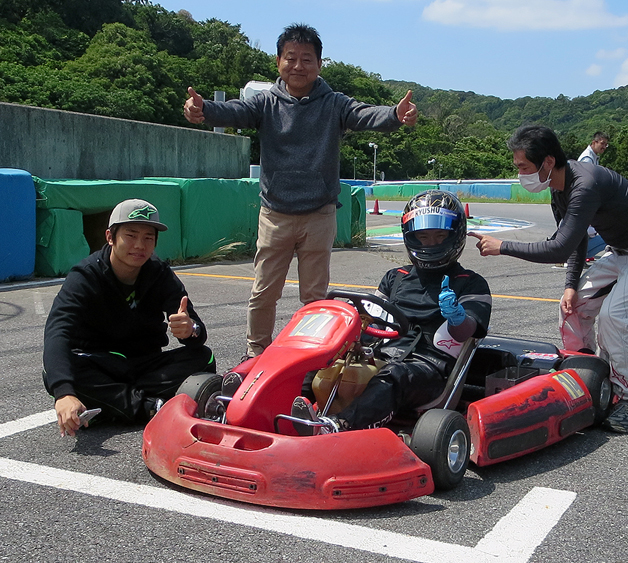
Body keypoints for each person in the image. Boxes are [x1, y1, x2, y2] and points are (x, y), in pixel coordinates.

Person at [183, 23, 418, 359]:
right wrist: (204, 109)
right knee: (263, 293)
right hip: (275, 214)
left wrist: (395, 114)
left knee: (315, 297)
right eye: (290, 58)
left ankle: (312, 356)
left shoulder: (334, 104)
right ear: (278, 61)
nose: (298, 66)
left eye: (306, 59)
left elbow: (366, 114)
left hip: (319, 215)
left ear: (319, 65)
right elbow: (236, 110)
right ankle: (255, 354)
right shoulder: (265, 103)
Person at [470, 125, 628, 434]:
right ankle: (590, 373)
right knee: (572, 307)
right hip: (625, 248)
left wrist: (502, 247)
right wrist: (571, 287)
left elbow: (558, 247)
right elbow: (574, 241)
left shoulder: (584, 184)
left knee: (615, 317)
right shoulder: (558, 189)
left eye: (523, 167)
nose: (520, 174)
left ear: (547, 162)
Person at [290, 190, 492, 434]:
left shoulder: (470, 283)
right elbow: (369, 319)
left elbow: (466, 333)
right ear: (411, 236)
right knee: (323, 353)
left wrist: (456, 316)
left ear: (455, 236)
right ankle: (294, 404)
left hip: (430, 368)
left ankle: (338, 426)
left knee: (394, 374)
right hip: (382, 355)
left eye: (439, 236)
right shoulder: (396, 278)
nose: (431, 243)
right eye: (424, 236)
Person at [43, 199, 215, 437]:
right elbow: (57, 331)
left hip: (145, 365)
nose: (139, 245)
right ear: (110, 237)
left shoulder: (159, 273)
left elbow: (195, 331)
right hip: (101, 364)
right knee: (60, 375)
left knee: (203, 358)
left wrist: (191, 329)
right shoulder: (85, 277)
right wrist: (63, 393)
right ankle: (151, 407)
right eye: (131, 235)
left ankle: (115, 405)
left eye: (148, 237)